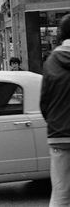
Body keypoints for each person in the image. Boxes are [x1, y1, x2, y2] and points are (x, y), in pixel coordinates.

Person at [40, 14, 70, 207]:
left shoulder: (51, 61)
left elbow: (44, 102)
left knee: (60, 195)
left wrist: (55, 121)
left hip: (59, 135)